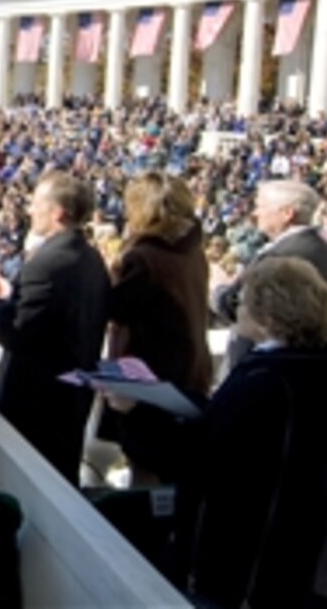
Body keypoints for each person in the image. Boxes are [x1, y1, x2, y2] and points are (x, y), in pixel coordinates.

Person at [170, 257, 327, 607]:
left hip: (236, 563)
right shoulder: (318, 372)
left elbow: (209, 459)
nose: (238, 310)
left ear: (267, 317)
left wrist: (144, 416)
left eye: (243, 301)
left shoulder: (264, 381)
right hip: (289, 563)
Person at [0, 171, 111, 485]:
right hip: (71, 401)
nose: (30, 210)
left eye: (36, 203)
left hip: (37, 407)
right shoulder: (91, 258)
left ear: (57, 212)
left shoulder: (47, 264)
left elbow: (18, 332)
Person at [104, 172, 212, 483]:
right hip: (188, 367)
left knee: (148, 469)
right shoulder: (191, 250)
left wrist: (113, 271)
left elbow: (117, 308)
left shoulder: (145, 257)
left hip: (148, 376)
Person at [212, 179, 327, 369]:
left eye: (261, 206)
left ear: (287, 213)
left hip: (263, 371)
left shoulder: (280, 257)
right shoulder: (325, 250)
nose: (255, 213)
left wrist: (218, 288)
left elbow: (238, 308)